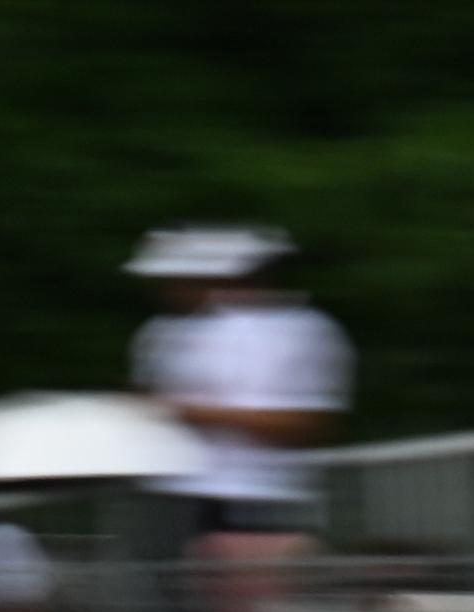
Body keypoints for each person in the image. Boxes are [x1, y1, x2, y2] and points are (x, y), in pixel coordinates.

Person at [131, 226, 351, 545]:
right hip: (168, 494)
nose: (170, 289)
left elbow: (309, 425)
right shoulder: (159, 333)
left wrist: (194, 414)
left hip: (259, 496)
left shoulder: (304, 331)